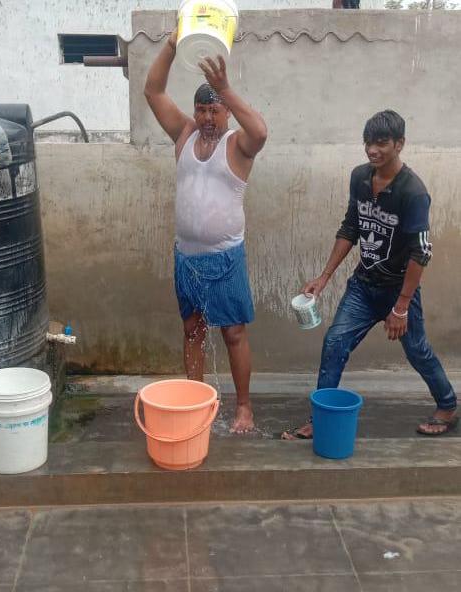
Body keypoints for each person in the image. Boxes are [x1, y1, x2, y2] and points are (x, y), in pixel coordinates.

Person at [282, 110, 457, 440]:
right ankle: (320, 418)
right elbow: (351, 227)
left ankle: (447, 405)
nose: (372, 150)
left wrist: (401, 307)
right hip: (363, 286)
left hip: (398, 290)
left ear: (399, 144)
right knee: (335, 343)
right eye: (368, 142)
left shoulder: (413, 192)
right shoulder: (360, 177)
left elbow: (421, 252)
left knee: (417, 350)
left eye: (381, 143)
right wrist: (324, 277)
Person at [144, 30, 267, 433]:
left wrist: (225, 88)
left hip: (225, 256)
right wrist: (172, 44)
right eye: (202, 110)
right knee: (192, 331)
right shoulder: (184, 133)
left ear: (226, 112)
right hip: (187, 257)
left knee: (233, 333)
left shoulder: (237, 145)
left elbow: (261, 132)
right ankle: (195, 402)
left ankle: (244, 408)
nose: (207, 119)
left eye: (214, 111)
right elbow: (153, 91)